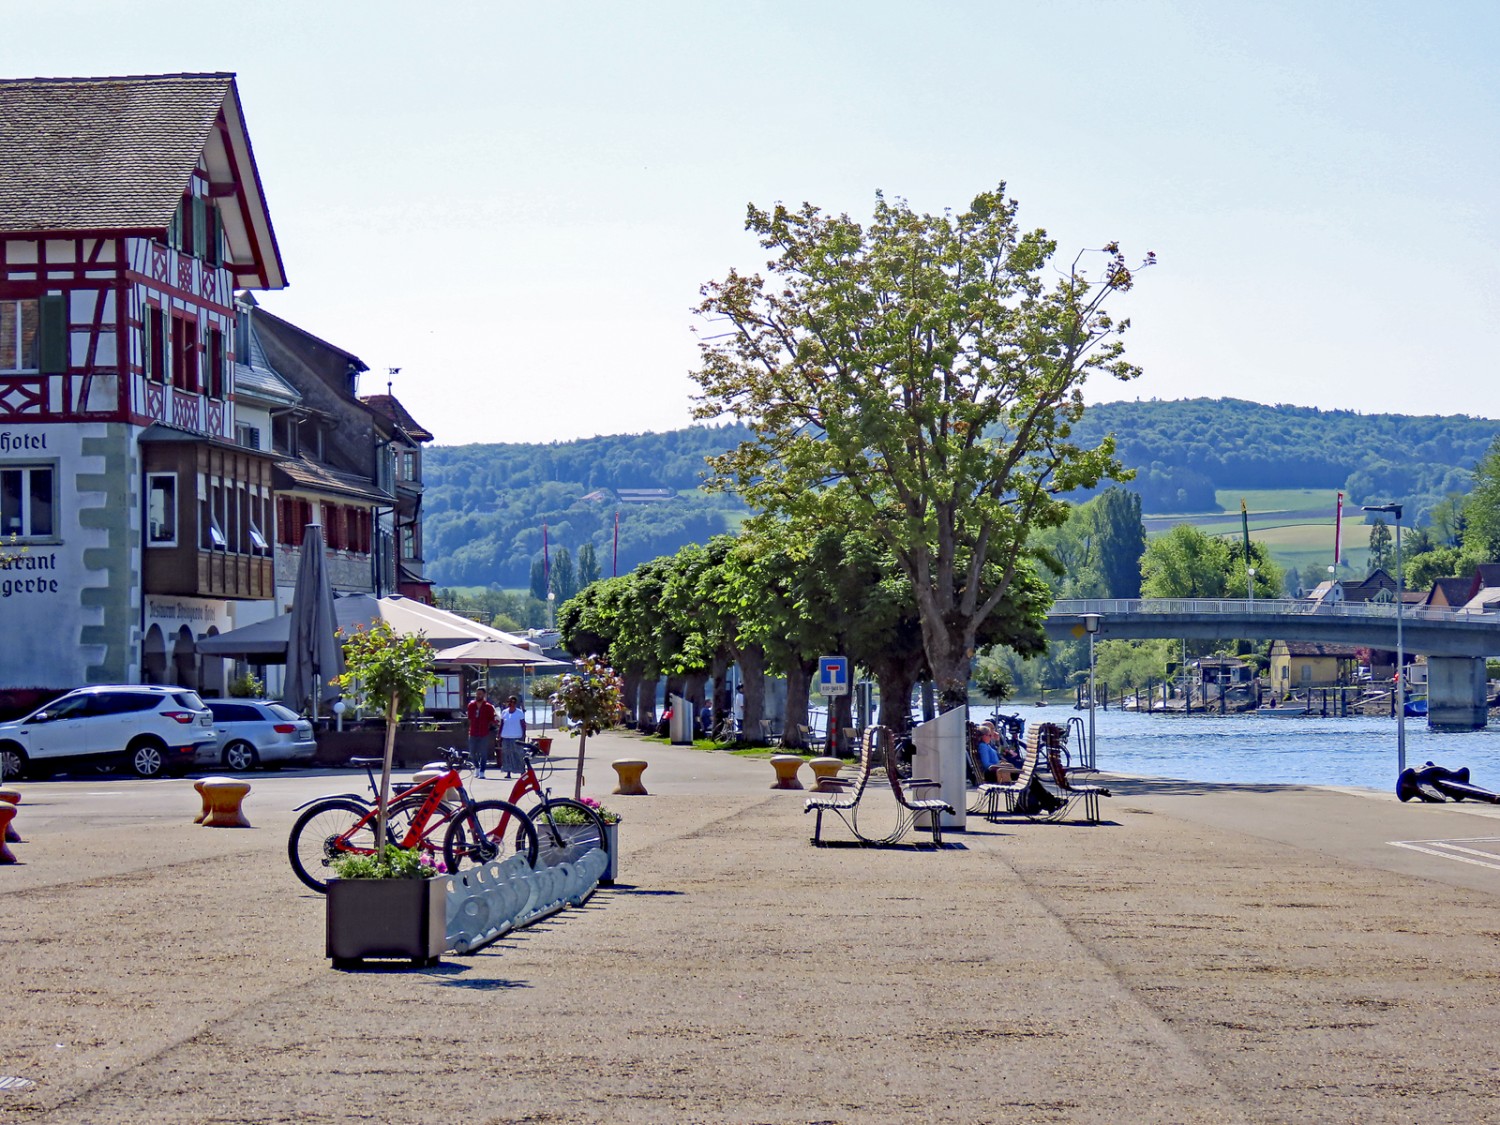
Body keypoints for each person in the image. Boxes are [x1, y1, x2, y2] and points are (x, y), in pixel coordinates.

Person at [466, 687, 497, 779]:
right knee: (472, 752)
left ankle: (482, 771)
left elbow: (492, 719)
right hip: (473, 732)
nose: (478, 695)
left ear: (484, 695)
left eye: (480, 694)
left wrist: (491, 725)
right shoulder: (471, 705)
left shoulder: (488, 706)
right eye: (477, 693)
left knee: (483, 753)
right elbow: (469, 718)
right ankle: (476, 767)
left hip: (484, 732)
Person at [497, 695, 527, 777]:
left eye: (513, 702)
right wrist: (499, 735)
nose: (511, 703)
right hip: (506, 737)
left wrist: (524, 735)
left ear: (515, 703)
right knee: (506, 755)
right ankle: (508, 772)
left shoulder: (519, 712)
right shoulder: (504, 712)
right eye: (509, 702)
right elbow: (502, 724)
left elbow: (523, 724)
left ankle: (522, 771)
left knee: (518, 754)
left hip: (517, 737)